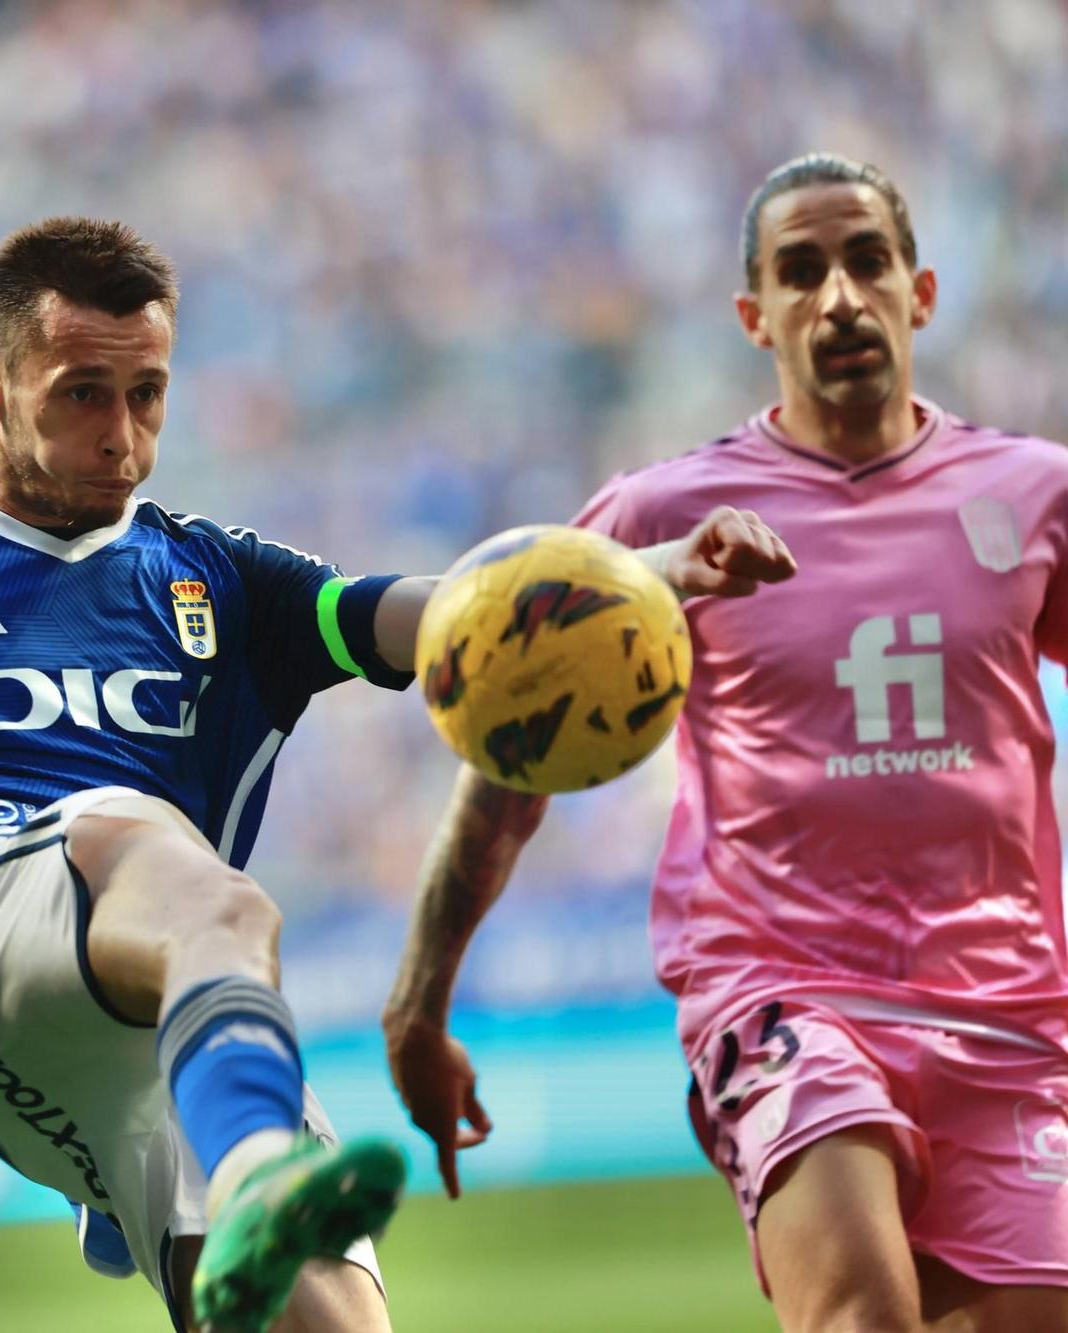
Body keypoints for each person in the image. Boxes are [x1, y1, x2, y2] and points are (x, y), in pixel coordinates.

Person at [0, 217, 786, 1333]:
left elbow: (442, 615)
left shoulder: (218, 575)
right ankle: (260, 1177)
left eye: (147, 395)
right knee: (185, 871)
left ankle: (243, 1190)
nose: (121, 438)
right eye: (80, 394)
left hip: (155, 1021)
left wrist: (647, 577)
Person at [383, 152, 1068, 1333]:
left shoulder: (1034, 493)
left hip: (1008, 1012)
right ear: (755, 316)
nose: (838, 297)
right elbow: (509, 760)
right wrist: (415, 1003)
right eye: (799, 272)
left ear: (921, 290)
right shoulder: (659, 518)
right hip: (784, 989)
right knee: (860, 1312)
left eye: (865, 260)